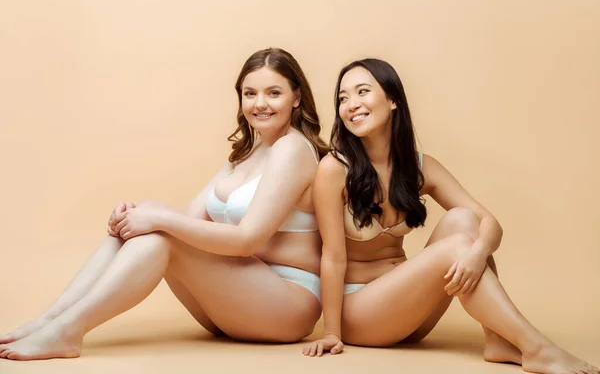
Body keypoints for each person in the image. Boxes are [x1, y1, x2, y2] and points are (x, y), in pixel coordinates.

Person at [0, 47, 329, 361]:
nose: (260, 103)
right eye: (250, 93)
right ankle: (50, 320)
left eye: (274, 93)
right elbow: (187, 219)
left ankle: (67, 331)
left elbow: (247, 241)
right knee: (148, 219)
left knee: (161, 228)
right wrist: (135, 216)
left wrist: (158, 219)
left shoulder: (293, 150)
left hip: (286, 305)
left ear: (296, 97)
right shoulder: (246, 153)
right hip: (239, 299)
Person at [302, 58, 598, 374]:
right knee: (461, 244)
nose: (351, 105)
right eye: (343, 98)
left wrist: (479, 253)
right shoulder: (335, 169)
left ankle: (498, 339)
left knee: (465, 222)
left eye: (362, 91)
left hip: (411, 313)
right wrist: (333, 332)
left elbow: (489, 223)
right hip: (360, 315)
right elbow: (332, 258)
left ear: (393, 101)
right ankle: (538, 349)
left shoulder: (420, 167)